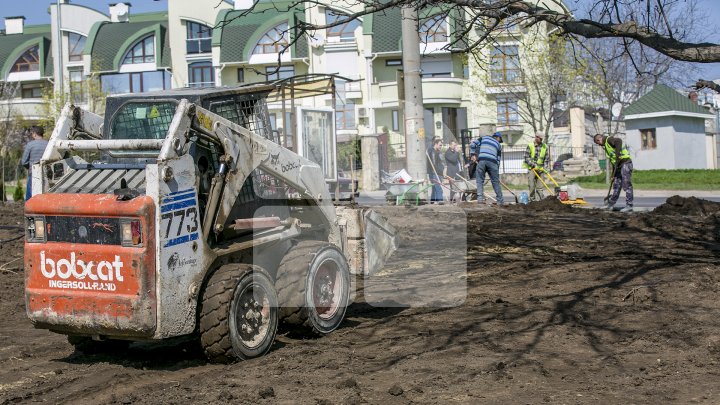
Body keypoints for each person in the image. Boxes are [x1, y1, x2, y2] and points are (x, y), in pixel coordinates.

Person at [593, 133, 633, 212]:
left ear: (599, 140)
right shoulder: (607, 147)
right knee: (616, 185)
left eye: (598, 143)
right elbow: (613, 161)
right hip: (618, 166)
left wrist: (618, 155)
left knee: (626, 184)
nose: (600, 145)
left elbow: (619, 141)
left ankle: (629, 205)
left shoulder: (608, 140)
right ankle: (610, 204)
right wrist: (613, 175)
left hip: (625, 163)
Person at [475, 132, 504, 205]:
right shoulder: (499, 145)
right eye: (500, 140)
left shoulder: (484, 138)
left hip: (481, 161)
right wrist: (496, 171)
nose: (499, 142)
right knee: (495, 182)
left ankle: (480, 199)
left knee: (479, 180)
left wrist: (473, 154)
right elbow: (498, 159)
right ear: (498, 138)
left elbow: (473, 144)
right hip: (493, 162)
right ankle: (500, 201)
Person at [21, 125, 48, 201]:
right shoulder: (49, 144)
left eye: (32, 133)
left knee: (30, 198)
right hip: (47, 175)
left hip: (33, 174)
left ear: (34, 134)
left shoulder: (30, 145)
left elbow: (24, 162)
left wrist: (29, 167)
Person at [523, 133, 549, 201]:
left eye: (541, 138)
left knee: (540, 187)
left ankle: (539, 201)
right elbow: (526, 157)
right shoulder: (530, 145)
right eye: (539, 138)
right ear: (536, 137)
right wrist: (533, 165)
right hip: (532, 168)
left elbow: (546, 159)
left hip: (541, 169)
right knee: (531, 186)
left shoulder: (545, 146)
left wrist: (545, 167)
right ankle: (532, 200)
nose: (540, 139)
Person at [426, 138, 445, 202]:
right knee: (438, 187)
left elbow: (441, 162)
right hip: (434, 172)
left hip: (437, 172)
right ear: (436, 144)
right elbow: (433, 164)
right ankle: (440, 201)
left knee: (434, 187)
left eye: (441, 145)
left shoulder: (438, 152)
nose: (441, 146)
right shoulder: (432, 152)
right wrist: (437, 171)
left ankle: (432, 201)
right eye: (440, 145)